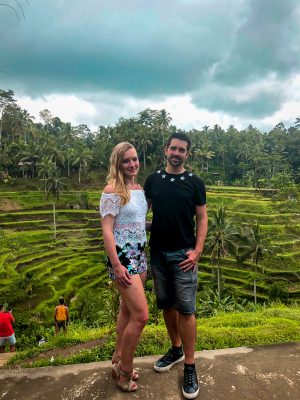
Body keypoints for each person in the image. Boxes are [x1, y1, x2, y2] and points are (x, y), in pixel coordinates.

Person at [144, 131, 208, 399]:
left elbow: (202, 219)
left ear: (187, 154)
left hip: (184, 255)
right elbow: (142, 213)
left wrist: (197, 251)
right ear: (165, 150)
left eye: (182, 150)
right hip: (158, 253)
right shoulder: (153, 180)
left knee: (186, 309)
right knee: (166, 305)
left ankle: (190, 366)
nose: (177, 153)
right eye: (173, 148)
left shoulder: (195, 182)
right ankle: (175, 348)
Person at [100, 142, 148, 393]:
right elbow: (107, 230)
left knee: (127, 311)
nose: (132, 164)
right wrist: (117, 265)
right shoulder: (112, 191)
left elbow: (137, 221)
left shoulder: (138, 189)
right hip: (123, 257)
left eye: (135, 159)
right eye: (127, 160)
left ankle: (118, 360)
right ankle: (125, 374)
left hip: (140, 253)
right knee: (141, 316)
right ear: (118, 163)